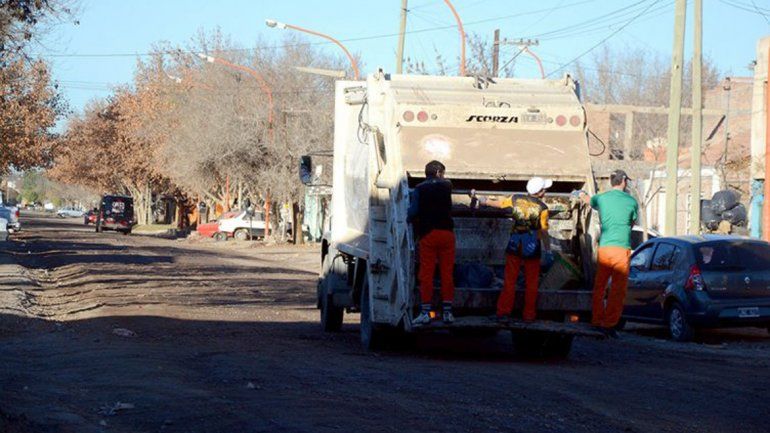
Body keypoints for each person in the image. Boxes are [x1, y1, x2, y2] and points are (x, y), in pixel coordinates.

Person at [475, 177, 552, 323]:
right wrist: (548, 251)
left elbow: (500, 204)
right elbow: (543, 231)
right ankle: (529, 315)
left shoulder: (516, 198)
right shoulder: (543, 208)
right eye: (544, 189)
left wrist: (484, 201)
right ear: (540, 192)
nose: (545, 191)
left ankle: (503, 312)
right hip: (532, 247)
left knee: (510, 281)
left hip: (515, 244)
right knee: (532, 283)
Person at [580, 169, 639, 337]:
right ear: (624, 181)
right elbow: (632, 223)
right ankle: (609, 324)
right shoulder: (631, 201)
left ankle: (596, 320)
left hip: (605, 248)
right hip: (621, 248)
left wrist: (580, 194)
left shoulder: (601, 198)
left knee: (600, 286)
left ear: (611, 181)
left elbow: (588, 200)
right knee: (618, 290)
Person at [408, 160, 455, 325]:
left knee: (426, 274)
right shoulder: (447, 185)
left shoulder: (419, 188)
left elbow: (413, 212)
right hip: (447, 234)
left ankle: (426, 312)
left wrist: (408, 217)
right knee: (447, 274)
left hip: (428, 234)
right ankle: (447, 312)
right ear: (439, 173)